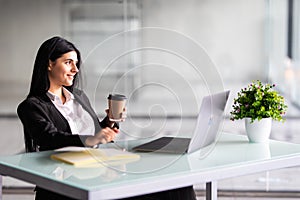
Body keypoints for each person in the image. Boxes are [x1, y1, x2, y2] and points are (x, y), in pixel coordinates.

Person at [17, 36, 196, 200]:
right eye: (68, 62)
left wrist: (108, 122)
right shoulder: (31, 106)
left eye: (76, 63)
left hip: (98, 173)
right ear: (49, 64)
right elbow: (50, 138)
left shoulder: (78, 97)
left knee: (180, 187)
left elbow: (93, 133)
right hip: (67, 185)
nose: (75, 69)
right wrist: (91, 139)